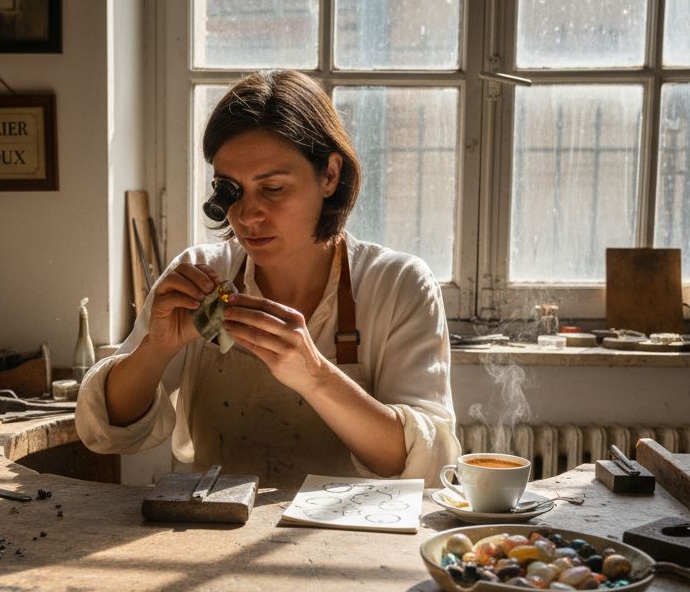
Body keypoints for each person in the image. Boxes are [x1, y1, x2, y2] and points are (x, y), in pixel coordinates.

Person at [76, 69, 460, 489]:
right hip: (207, 531)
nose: (247, 215)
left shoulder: (398, 284)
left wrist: (314, 375)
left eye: (273, 188)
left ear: (330, 175)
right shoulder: (203, 275)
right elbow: (107, 432)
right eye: (231, 191)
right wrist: (156, 347)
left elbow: (426, 463)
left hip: (350, 537)